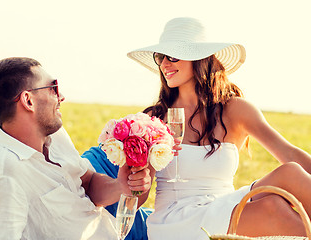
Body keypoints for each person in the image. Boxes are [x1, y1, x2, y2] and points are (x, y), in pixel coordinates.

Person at [127, 17, 311, 239]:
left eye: (172, 55)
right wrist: (140, 178)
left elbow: (290, 153)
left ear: (200, 59)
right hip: (177, 219)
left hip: (223, 203)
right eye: (160, 57)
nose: (164, 63)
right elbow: (138, 198)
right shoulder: (153, 118)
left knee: (290, 172)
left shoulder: (234, 110)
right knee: (271, 208)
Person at [0, 57, 152, 240]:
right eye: (53, 88)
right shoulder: (4, 174)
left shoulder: (53, 135)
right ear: (28, 100)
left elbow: (88, 183)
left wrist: (120, 186)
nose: (61, 97)